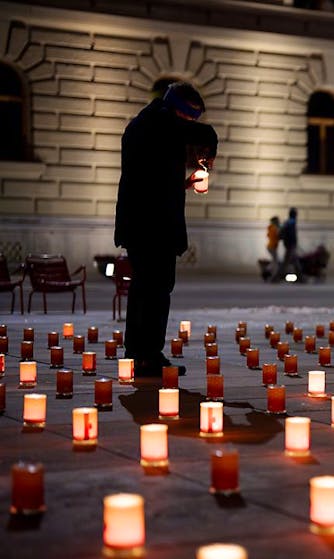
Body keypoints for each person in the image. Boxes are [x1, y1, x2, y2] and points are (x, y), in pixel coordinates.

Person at [115, 82, 218, 377]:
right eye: (190, 118)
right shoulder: (158, 122)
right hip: (151, 226)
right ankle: (147, 355)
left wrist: (180, 184)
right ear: (180, 111)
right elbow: (204, 134)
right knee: (155, 291)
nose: (191, 125)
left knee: (145, 289)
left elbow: (151, 176)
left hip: (142, 223)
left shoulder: (146, 125)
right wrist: (208, 153)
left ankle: (139, 353)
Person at [273, 207, 302, 282]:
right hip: (290, 245)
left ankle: (300, 278)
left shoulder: (288, 222)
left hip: (289, 244)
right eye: (296, 214)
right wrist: (294, 243)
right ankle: (276, 278)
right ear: (294, 214)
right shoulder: (291, 222)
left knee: (295, 261)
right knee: (286, 263)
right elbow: (291, 234)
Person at [266, 216, 280, 280]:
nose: (279, 222)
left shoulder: (270, 227)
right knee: (276, 262)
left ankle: (268, 270)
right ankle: (273, 275)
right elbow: (278, 236)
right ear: (275, 221)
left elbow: (268, 235)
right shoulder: (274, 228)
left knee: (274, 260)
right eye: (277, 221)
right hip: (272, 246)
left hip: (270, 246)